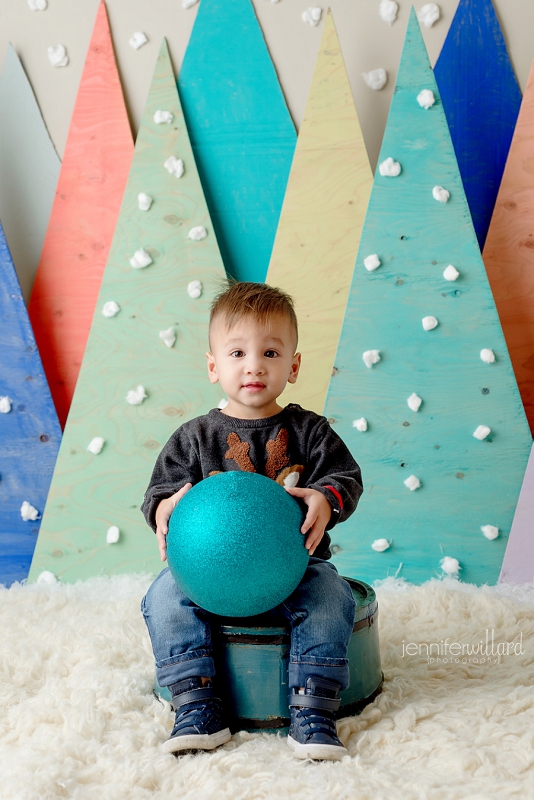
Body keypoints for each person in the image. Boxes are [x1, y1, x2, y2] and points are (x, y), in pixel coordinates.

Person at [141, 281, 363, 761]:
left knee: (333, 594)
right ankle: (195, 700)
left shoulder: (311, 431)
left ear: (294, 365)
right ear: (213, 365)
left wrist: (327, 498)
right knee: (162, 596)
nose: (254, 365)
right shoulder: (195, 437)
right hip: (208, 580)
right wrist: (163, 509)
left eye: (270, 352)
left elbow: (346, 477)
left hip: (297, 570)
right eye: (237, 352)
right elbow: (161, 492)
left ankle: (313, 708)